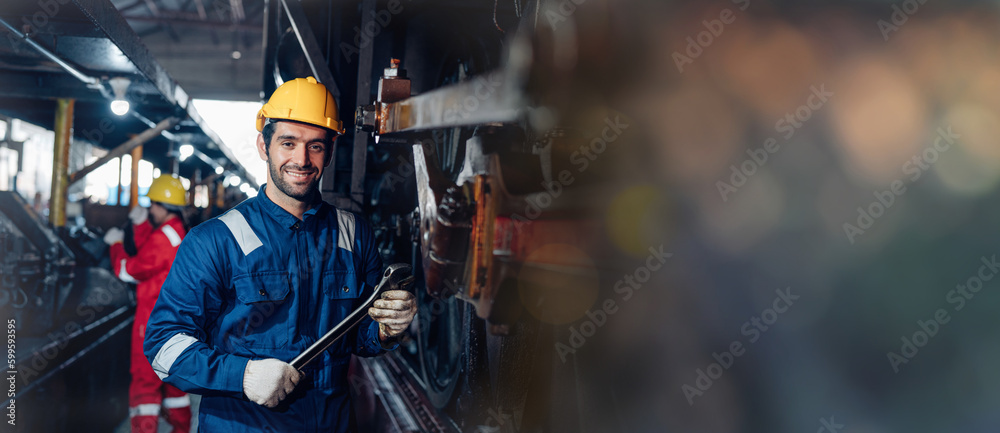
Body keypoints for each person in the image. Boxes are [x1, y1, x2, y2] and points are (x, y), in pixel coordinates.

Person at [142, 76, 417, 432]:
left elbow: (357, 335)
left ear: (331, 151)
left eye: (315, 146)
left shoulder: (353, 234)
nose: (301, 159)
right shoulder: (215, 240)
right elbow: (164, 346)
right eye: (288, 142)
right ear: (263, 145)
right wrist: (243, 376)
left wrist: (384, 330)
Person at [104, 175, 192, 433]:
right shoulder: (174, 231)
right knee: (173, 383)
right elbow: (150, 259)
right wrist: (142, 225)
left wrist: (116, 244)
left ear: (164, 206)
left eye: (153, 204)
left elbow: (129, 270)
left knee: (145, 384)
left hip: (152, 319)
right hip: (175, 319)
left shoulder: (165, 237)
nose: (151, 209)